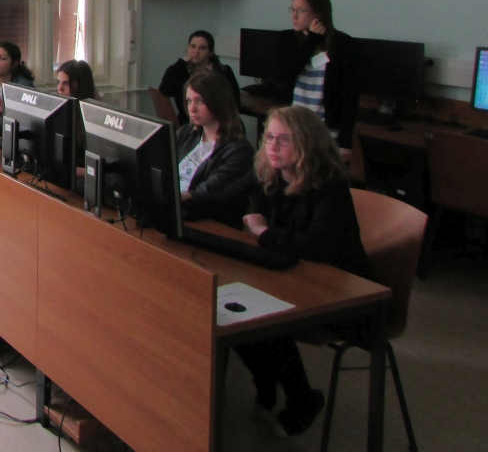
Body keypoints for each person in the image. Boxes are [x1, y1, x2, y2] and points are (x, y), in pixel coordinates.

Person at [235, 106, 371, 437]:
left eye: (284, 139)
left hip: (342, 294)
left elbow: (316, 246)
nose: (272, 146)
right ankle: (266, 381)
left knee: (264, 318)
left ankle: (303, 400)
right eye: (269, 137)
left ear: (308, 143)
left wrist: (265, 233)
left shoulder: (330, 186)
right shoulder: (268, 173)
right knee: (231, 311)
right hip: (291, 277)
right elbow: (231, 194)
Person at [276, 0, 359, 153]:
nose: (294, 16)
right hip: (293, 125)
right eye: (292, 10)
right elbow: (286, 74)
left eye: (301, 11)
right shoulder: (287, 39)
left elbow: (349, 95)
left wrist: (346, 141)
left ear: (319, 13)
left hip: (327, 130)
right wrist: (312, 40)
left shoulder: (344, 44)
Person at [176, 71, 256, 229]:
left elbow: (207, 193)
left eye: (200, 101)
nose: (192, 108)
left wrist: (171, 198)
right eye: (189, 101)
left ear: (218, 102)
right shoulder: (186, 133)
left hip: (205, 222)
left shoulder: (239, 151)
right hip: (176, 213)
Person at [159, 31, 240, 125]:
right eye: (193, 46)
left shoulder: (222, 71)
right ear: (187, 48)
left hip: (218, 123)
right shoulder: (180, 71)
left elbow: (235, 103)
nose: (196, 51)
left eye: (202, 48)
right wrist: (181, 63)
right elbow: (165, 90)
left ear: (210, 52)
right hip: (188, 123)